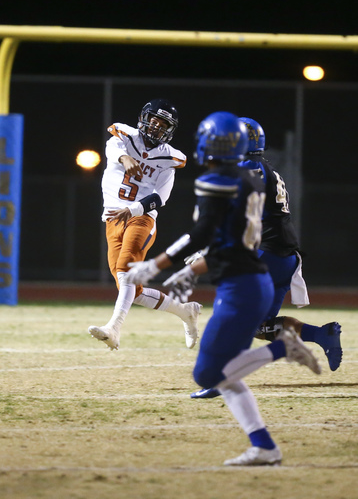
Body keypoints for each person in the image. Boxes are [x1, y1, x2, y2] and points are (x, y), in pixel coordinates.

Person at [126, 111, 321, 466]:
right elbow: (229, 244)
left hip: (241, 288)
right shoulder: (249, 180)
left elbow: (201, 237)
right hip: (249, 279)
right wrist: (196, 269)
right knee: (226, 374)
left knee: (208, 374)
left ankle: (284, 349)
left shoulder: (220, 180)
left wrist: (156, 264)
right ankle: (264, 446)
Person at [188, 116, 342, 399]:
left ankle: (219, 377)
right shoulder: (262, 166)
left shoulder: (248, 167)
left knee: (234, 315)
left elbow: (238, 217)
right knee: (260, 326)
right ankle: (322, 335)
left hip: (266, 254)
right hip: (283, 256)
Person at [88, 99, 202, 351]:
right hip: (112, 218)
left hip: (141, 218)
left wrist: (133, 209)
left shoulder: (169, 158)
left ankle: (113, 328)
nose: (156, 127)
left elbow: (160, 198)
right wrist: (124, 158)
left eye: (163, 124)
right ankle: (186, 312)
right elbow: (111, 147)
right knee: (132, 291)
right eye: (154, 120)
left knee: (126, 271)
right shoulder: (124, 136)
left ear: (170, 130)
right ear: (144, 118)